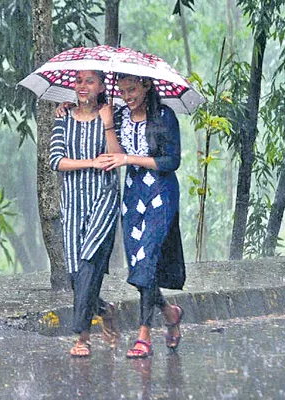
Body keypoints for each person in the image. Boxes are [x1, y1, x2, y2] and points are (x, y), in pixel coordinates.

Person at [104, 73, 186, 358]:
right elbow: (114, 153)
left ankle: (143, 334)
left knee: (148, 257)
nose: (127, 96)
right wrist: (104, 122)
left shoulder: (165, 116)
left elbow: (171, 161)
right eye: (122, 90)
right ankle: (169, 311)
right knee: (139, 262)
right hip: (132, 194)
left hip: (161, 193)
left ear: (147, 84)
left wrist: (130, 159)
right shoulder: (119, 115)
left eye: (132, 89)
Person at [49, 70, 121, 357]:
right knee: (74, 273)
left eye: (89, 81)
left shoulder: (111, 115)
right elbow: (56, 161)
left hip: (104, 197)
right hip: (73, 201)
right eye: (78, 81)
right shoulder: (63, 116)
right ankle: (105, 309)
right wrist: (91, 162)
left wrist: (108, 125)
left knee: (90, 261)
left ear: (101, 86)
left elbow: (117, 157)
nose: (82, 86)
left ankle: (82, 336)